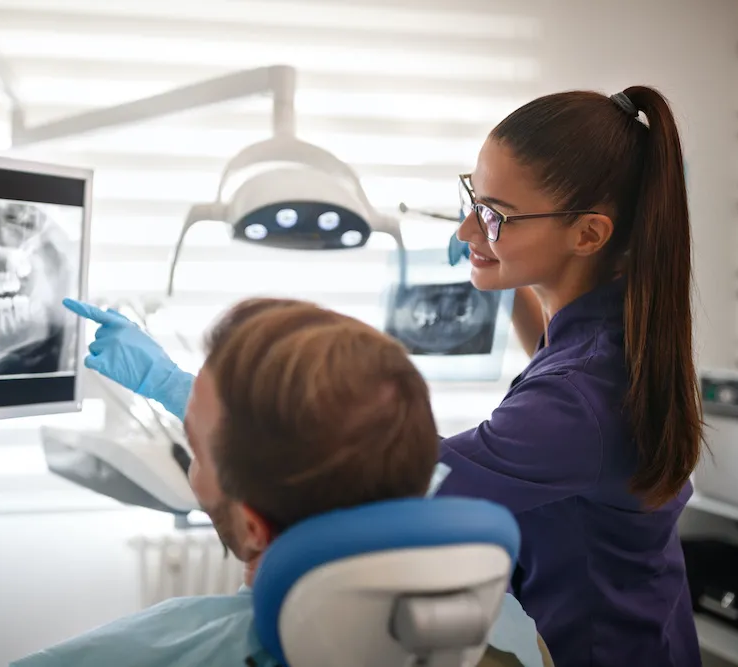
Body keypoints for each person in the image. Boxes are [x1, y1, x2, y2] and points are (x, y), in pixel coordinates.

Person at [61, 85, 705, 667]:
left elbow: (377, 478)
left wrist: (178, 388)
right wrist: (499, 274)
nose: (465, 229)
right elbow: (556, 353)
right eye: (471, 200)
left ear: (589, 234)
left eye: (495, 216)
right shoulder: (616, 334)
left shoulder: (579, 400)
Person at [15, 298, 548, 667]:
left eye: (194, 451)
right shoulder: (501, 628)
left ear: (251, 528)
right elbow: (335, 428)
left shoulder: (155, 650)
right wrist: (167, 382)